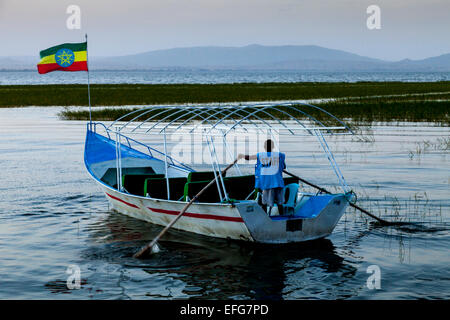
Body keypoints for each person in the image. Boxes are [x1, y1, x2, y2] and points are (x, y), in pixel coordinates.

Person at [238, 139, 286, 216]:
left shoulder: (260, 155)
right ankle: (282, 218)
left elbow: (249, 157)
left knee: (265, 203)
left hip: (268, 184)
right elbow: (284, 167)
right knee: (280, 203)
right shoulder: (280, 155)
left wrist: (241, 156)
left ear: (264, 147)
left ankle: (265, 218)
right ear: (273, 147)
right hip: (279, 182)